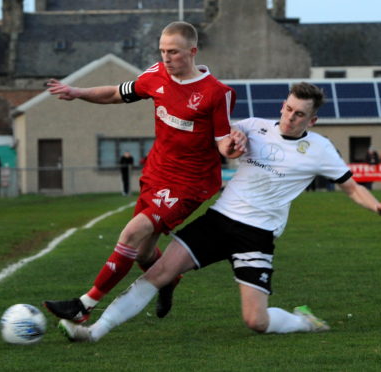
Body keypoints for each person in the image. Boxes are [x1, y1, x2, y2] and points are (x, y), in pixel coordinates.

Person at [56, 82, 381, 343]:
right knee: (157, 273)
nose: (289, 116)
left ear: (312, 119)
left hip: (257, 235)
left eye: (299, 114)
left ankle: (303, 321)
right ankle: (94, 332)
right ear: (282, 105)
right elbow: (221, 139)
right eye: (287, 108)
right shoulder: (253, 126)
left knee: (257, 322)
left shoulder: (320, 149)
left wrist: (378, 207)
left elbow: (351, 186)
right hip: (220, 221)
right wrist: (228, 141)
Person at [44, 21, 246, 322]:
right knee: (142, 252)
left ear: (192, 51)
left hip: (190, 184)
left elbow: (221, 143)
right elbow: (115, 93)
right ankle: (169, 281)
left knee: (132, 233)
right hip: (157, 173)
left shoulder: (217, 93)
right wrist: (76, 91)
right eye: (163, 51)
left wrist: (234, 144)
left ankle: (83, 306)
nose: (166, 58)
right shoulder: (155, 75)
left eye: (173, 52)